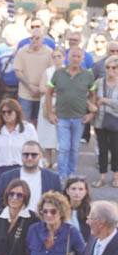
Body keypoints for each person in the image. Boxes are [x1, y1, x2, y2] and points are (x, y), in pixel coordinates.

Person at [46, 47, 98, 180]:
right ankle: (62, 176)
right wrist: (50, 113)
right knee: (63, 148)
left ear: (82, 59)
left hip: (79, 118)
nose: (75, 59)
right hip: (62, 117)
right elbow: (48, 92)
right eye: (73, 56)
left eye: (78, 57)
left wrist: (90, 114)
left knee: (74, 148)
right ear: (68, 57)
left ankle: (71, 174)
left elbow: (93, 94)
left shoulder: (88, 75)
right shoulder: (58, 73)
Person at [0, 140, 62, 214]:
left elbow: (59, 205)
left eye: (34, 155)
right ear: (21, 155)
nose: (29, 158)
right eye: (26, 154)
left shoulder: (53, 178)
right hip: (14, 222)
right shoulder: (7, 177)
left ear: (40, 156)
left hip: (42, 222)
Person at [0, 98, 39, 185]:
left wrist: (38, 170)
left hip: (21, 169)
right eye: (3, 112)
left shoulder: (28, 128)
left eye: (9, 112)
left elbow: (36, 150)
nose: (6, 115)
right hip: (1, 170)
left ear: (17, 112)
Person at [94, 55, 118, 188]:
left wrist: (106, 101)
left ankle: (116, 177)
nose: (111, 70)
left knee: (116, 150)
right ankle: (102, 177)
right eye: (108, 67)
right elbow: (90, 95)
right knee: (102, 150)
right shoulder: (99, 82)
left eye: (114, 67)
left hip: (116, 121)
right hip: (100, 120)